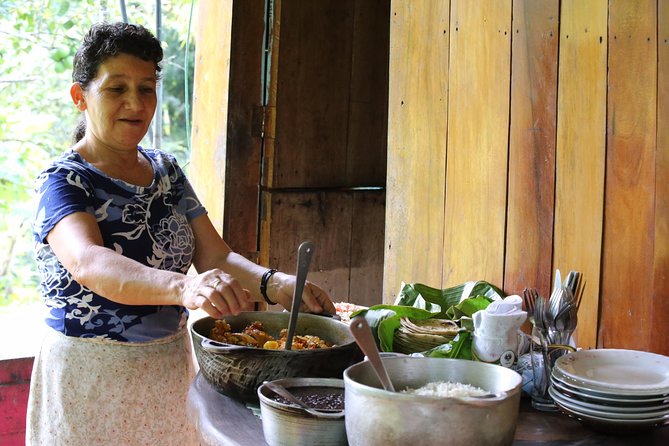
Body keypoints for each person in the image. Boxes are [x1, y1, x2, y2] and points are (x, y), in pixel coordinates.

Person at [26, 22, 336, 445]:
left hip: (168, 367)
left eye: (146, 88)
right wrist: (184, 288)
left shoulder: (166, 171)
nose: (135, 103)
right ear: (80, 96)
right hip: (89, 376)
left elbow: (216, 258)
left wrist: (276, 284)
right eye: (117, 89)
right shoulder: (62, 181)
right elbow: (89, 263)